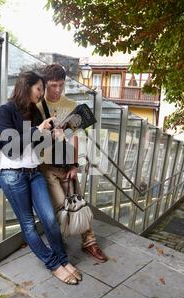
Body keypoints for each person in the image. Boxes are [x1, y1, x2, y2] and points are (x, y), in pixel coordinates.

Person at [0, 71, 82, 285]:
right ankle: (54, 265)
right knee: (29, 224)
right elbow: (11, 148)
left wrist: (56, 138)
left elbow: (39, 146)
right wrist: (36, 130)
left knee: (50, 219)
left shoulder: (35, 112)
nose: (41, 94)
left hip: (34, 172)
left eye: (43, 89)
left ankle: (63, 259)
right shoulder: (5, 110)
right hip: (13, 175)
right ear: (26, 86)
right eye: (39, 89)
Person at [36, 64, 108, 263]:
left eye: (60, 85)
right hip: (46, 166)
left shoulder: (71, 105)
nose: (57, 90)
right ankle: (59, 242)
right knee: (60, 205)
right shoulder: (37, 105)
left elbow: (75, 138)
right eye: (52, 85)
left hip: (67, 164)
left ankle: (90, 242)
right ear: (44, 84)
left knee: (79, 202)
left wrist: (75, 166)